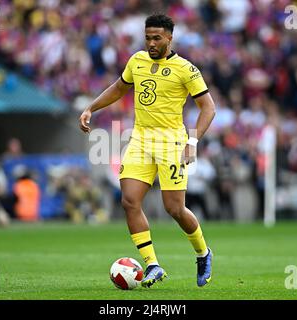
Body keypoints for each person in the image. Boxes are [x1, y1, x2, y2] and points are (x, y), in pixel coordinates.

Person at [79, 14, 216, 288]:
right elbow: (119, 88)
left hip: (172, 144)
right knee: (129, 201)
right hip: (140, 141)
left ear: (169, 38)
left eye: (157, 38)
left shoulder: (186, 69)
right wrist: (91, 107)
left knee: (174, 209)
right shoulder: (136, 61)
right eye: (148, 38)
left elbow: (208, 108)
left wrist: (192, 142)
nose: (151, 43)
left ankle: (203, 252)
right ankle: (153, 265)